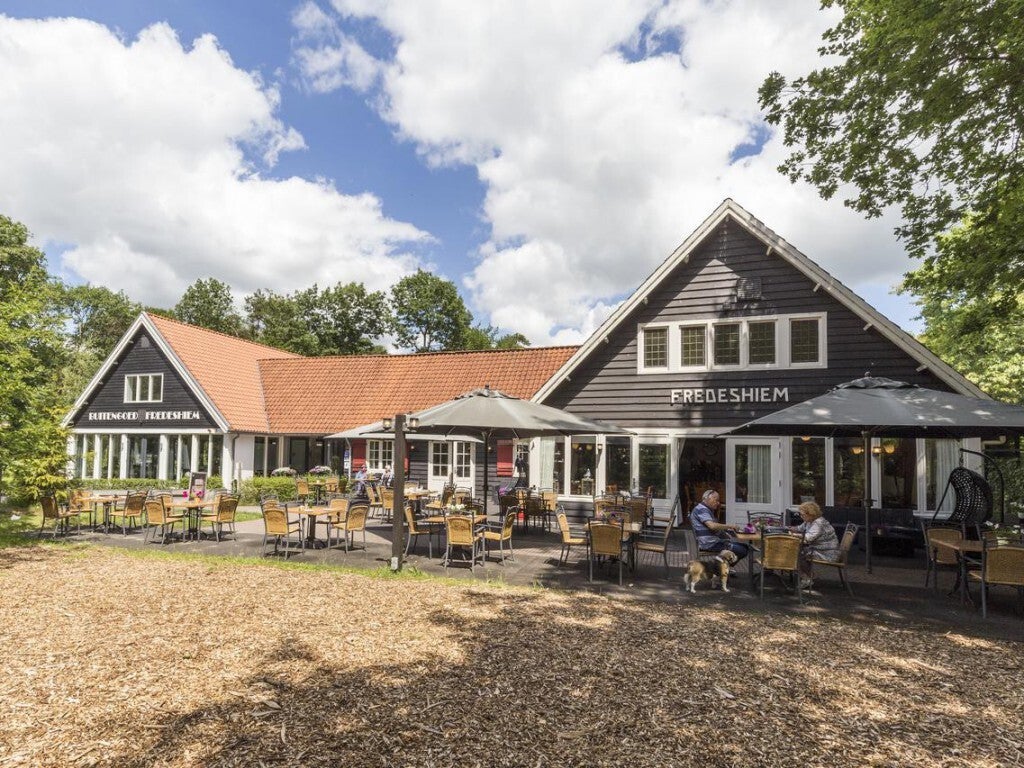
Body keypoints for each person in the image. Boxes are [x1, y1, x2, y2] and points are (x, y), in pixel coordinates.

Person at [789, 500, 839, 588]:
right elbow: (799, 528)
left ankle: (807, 578)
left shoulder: (818, 523)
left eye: (803, 515)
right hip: (820, 549)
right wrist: (787, 528)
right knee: (800, 551)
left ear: (810, 514)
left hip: (828, 553)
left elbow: (808, 538)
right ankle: (808, 575)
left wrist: (793, 535)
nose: (801, 516)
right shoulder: (809, 521)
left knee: (798, 554)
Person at [689, 489, 748, 562]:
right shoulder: (702, 509)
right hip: (709, 544)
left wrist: (726, 534)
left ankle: (722, 565)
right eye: (716, 500)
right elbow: (712, 526)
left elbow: (714, 528)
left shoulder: (704, 509)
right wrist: (730, 526)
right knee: (742, 550)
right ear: (707, 499)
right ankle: (720, 566)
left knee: (745, 546)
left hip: (712, 542)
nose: (718, 503)